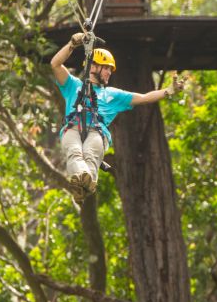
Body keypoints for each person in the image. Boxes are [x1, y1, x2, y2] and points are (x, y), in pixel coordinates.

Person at [51, 32, 187, 198]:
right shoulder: (73, 85)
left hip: (97, 132)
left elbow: (144, 98)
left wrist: (168, 91)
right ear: (93, 67)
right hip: (72, 128)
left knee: (90, 154)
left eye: (110, 69)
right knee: (74, 152)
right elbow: (56, 64)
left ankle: (85, 183)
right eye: (106, 68)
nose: (109, 72)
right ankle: (81, 181)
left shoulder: (113, 94)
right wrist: (72, 44)